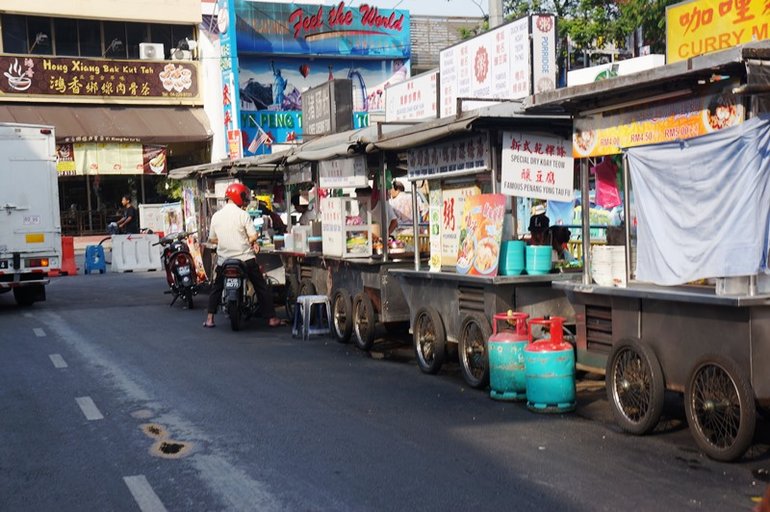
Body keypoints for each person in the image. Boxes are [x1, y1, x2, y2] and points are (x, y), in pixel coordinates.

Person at [203, 183, 282, 328]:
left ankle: (209, 319)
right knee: (261, 286)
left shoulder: (216, 216)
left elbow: (212, 239)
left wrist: (224, 239)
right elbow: (254, 236)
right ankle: (271, 318)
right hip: (245, 259)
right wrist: (247, 240)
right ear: (239, 197)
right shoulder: (243, 215)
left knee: (217, 287)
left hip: (224, 261)